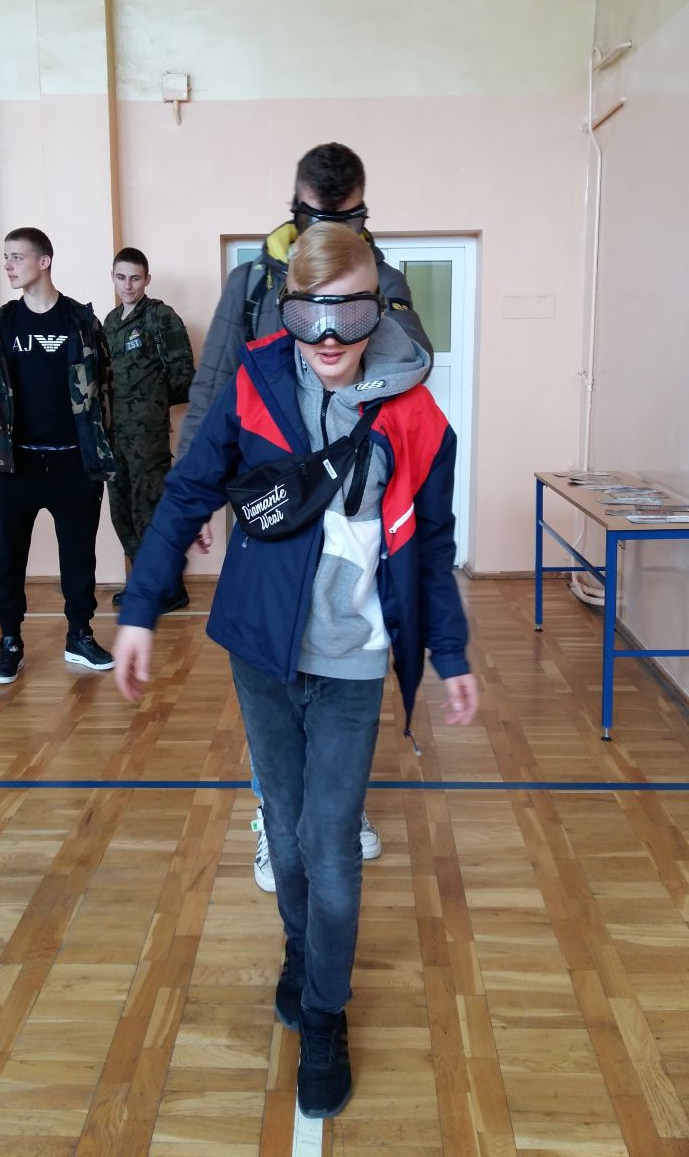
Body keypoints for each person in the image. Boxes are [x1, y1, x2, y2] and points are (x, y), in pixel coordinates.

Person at [113, 221, 478, 1119]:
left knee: (332, 846)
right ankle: (298, 951)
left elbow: (433, 545)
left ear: (379, 309)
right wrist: (139, 606)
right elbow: (188, 490)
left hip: (353, 663)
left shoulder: (418, 416)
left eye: (348, 314)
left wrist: (451, 652)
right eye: (309, 314)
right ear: (286, 311)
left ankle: (324, 1011)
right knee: (282, 829)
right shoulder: (255, 381)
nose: (326, 337)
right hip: (263, 653)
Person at [178, 142, 434, 887]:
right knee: (271, 666)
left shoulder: (384, 280)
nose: (326, 229)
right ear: (294, 209)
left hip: (350, 517)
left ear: (362, 213)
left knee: (342, 675)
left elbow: (408, 376)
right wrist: (194, 495)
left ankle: (337, 813)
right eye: (312, 216)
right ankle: (275, 817)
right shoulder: (253, 280)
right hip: (272, 513)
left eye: (342, 219)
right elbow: (215, 382)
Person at [0, 227, 115, 684]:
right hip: (17, 466)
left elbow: (105, 389)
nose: (8, 265)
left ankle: (79, 635)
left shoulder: (81, 321)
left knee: (79, 557)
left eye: (16, 256)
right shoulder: (2, 325)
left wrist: (99, 452)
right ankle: (10, 641)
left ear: (44, 261)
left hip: (73, 465)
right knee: (10, 560)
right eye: (6, 256)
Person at [104, 248, 195, 611]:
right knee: (121, 510)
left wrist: (153, 406)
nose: (127, 285)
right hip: (114, 434)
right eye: (121, 277)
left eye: (135, 278)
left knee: (150, 510)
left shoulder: (160, 316)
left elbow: (183, 374)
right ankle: (145, 584)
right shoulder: (110, 322)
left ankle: (169, 588)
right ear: (113, 277)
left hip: (147, 435)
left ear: (146, 279)